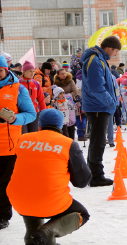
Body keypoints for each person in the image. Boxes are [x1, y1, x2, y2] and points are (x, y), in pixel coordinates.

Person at [6, 109, 92, 245]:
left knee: (31, 200)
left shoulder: (23, 139)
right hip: (50, 200)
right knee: (82, 215)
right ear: (60, 126)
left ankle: (33, 239)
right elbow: (82, 182)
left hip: (18, 199)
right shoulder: (68, 143)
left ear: (39, 124)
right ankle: (48, 232)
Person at [0, 55, 36, 230]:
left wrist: (14, 118)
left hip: (8, 146)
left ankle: (3, 215)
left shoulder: (18, 89)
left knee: (3, 183)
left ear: (6, 70)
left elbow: (31, 114)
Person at [80, 36, 120, 186]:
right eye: (116, 51)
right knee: (98, 142)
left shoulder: (98, 59)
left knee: (98, 141)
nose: (115, 54)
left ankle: (93, 173)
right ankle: (96, 176)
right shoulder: (95, 60)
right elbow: (96, 88)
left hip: (99, 106)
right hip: (98, 106)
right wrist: (110, 102)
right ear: (109, 48)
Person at [20, 61, 47, 133]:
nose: (32, 73)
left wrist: (44, 112)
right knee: (24, 135)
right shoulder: (18, 83)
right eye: (30, 71)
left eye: (33, 71)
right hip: (22, 113)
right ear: (24, 71)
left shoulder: (36, 84)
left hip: (34, 112)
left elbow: (41, 99)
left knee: (34, 134)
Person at [54, 68, 78, 139]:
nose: (64, 75)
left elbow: (75, 91)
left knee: (70, 123)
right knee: (63, 124)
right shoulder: (56, 83)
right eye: (62, 74)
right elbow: (55, 93)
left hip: (69, 104)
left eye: (65, 73)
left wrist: (67, 96)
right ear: (58, 75)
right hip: (60, 105)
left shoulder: (70, 81)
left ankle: (71, 139)